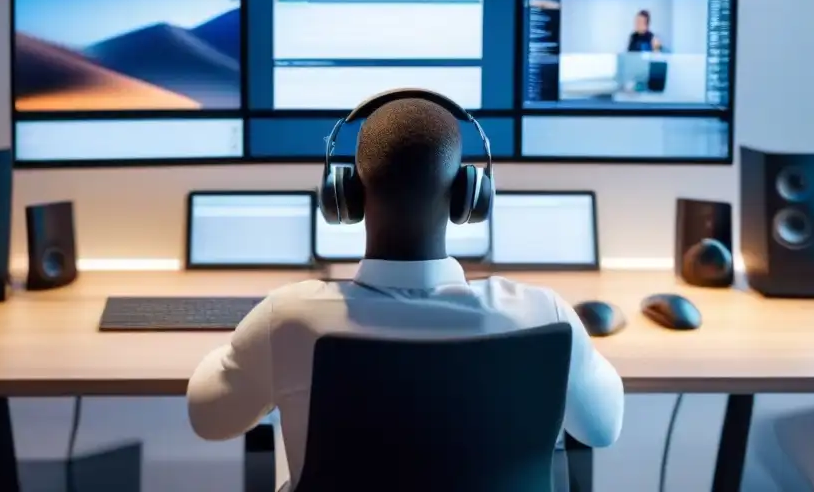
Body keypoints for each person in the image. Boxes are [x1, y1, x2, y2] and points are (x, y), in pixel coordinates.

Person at [187, 97, 625, 487]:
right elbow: (603, 428)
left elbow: (209, 418)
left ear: (347, 195)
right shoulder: (543, 314)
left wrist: (251, 348)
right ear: (467, 197)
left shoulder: (289, 318)